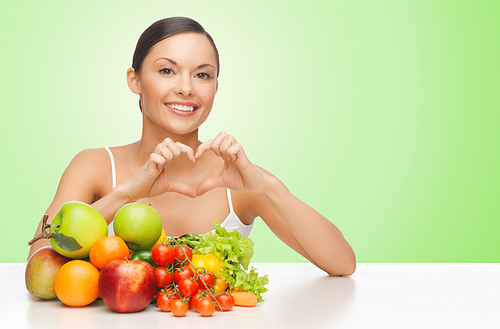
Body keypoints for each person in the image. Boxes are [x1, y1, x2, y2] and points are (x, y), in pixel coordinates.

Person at [28, 17, 356, 276]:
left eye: (202, 75)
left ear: (215, 87)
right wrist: (125, 193)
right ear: (135, 80)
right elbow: (40, 262)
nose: (185, 88)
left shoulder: (240, 180)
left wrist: (269, 188)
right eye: (167, 70)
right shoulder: (94, 167)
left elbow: (343, 264)